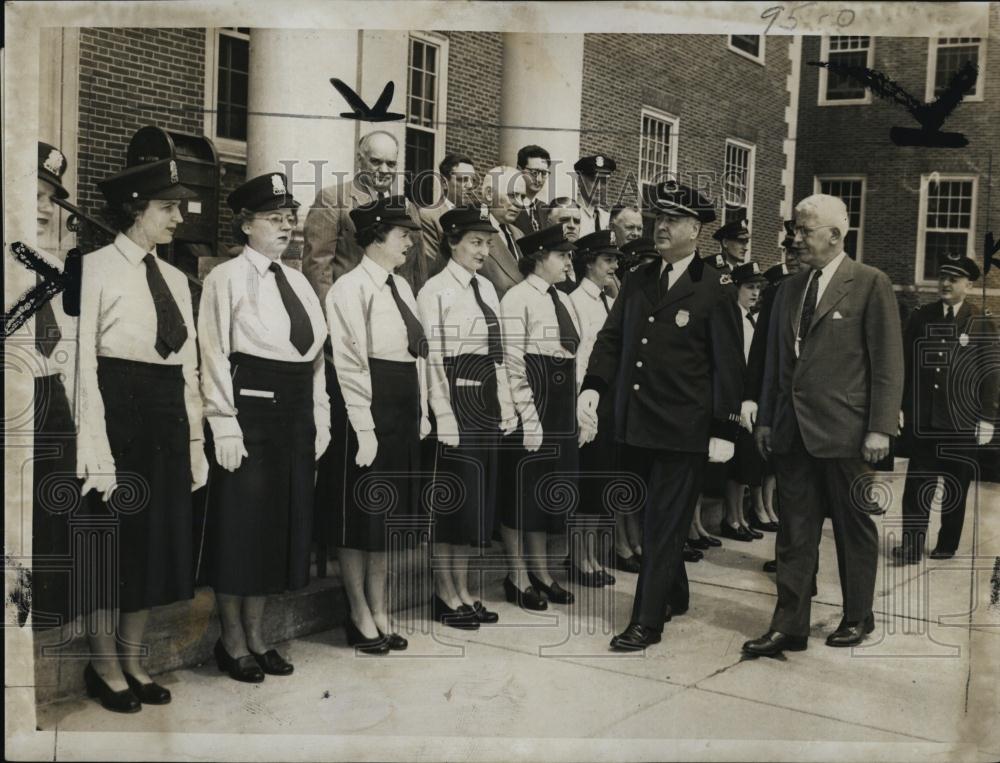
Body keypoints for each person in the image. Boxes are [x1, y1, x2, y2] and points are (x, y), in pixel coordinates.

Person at [579, 181, 744, 651]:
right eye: (658, 218)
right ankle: (676, 590)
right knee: (654, 516)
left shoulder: (714, 288)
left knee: (661, 525)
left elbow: (728, 366)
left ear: (695, 229)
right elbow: (612, 340)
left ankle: (646, 621)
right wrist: (593, 387)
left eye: (673, 220)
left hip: (683, 430)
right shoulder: (638, 279)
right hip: (637, 423)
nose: (662, 226)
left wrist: (724, 427)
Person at [745, 193, 904, 657]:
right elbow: (777, 363)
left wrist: (879, 429)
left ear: (835, 235)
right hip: (793, 433)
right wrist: (767, 421)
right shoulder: (788, 289)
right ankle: (788, 625)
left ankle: (858, 616)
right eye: (795, 229)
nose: (795, 238)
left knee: (854, 529)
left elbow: (887, 363)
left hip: (847, 435)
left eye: (805, 230)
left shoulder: (870, 284)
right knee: (794, 533)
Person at [76, 157, 208, 712]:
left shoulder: (176, 277)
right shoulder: (93, 270)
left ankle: (133, 658)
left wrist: (195, 440)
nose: (179, 217)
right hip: (116, 410)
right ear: (135, 209)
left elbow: (189, 365)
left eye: (179, 207)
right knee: (113, 547)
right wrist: (94, 448)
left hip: (166, 413)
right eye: (167, 207)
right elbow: (81, 364)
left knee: (153, 543)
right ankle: (103, 665)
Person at [198, 173, 331, 682]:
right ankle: (231, 641)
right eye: (274, 219)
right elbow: (212, 351)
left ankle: (258, 636)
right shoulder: (225, 278)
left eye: (289, 219)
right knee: (241, 533)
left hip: (295, 414)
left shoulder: (296, 280)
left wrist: (319, 416)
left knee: (276, 531)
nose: (286, 227)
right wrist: (222, 421)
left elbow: (316, 355)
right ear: (245, 224)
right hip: (249, 414)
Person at [324, 195, 427, 654]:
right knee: (359, 516)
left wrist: (421, 410)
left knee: (385, 518)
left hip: (401, 404)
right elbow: (348, 361)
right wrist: (363, 426)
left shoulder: (401, 287)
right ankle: (358, 612)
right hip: (365, 406)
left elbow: (416, 354)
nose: (409, 241)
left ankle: (381, 608)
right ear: (377, 237)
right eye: (402, 234)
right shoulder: (349, 288)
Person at [417, 204, 518, 628]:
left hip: (486, 402)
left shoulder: (487, 289)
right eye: (475, 242)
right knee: (452, 507)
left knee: (475, 505)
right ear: (451, 242)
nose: (483, 250)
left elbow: (498, 353)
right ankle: (445, 594)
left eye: (488, 242)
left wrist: (507, 404)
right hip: (455, 402)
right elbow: (433, 359)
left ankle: (462, 590)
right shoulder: (433, 291)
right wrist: (443, 416)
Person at [892, 253, 998, 564]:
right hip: (925, 419)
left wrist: (987, 419)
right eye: (942, 277)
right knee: (917, 486)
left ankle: (947, 543)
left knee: (955, 487)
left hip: (961, 423)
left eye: (953, 278)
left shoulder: (979, 321)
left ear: (967, 284)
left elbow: (990, 375)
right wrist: (899, 406)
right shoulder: (922, 317)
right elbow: (905, 366)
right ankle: (911, 546)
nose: (946, 283)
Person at [499, 224, 582, 611]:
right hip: (534, 395)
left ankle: (541, 571)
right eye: (561, 255)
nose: (568, 261)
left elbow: (572, 352)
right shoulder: (518, 298)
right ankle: (516, 575)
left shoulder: (561, 298)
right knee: (522, 491)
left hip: (561, 396)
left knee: (545, 491)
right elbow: (513, 360)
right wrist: (527, 415)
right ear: (539, 258)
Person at [26, 143, 80, 632]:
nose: (46, 209)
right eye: (36, 195)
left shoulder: (54, 265)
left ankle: (43, 616)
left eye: (51, 198)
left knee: (53, 504)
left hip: (51, 395)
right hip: (14, 397)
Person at [302, 130, 429, 299]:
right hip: (351, 305)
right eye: (376, 162)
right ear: (360, 159)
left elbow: (416, 269)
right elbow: (317, 266)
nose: (384, 170)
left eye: (391, 164)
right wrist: (330, 318)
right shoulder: (333, 199)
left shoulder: (407, 207)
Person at [568, 230, 622, 586]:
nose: (613, 267)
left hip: (608, 396)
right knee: (587, 482)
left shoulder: (608, 300)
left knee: (601, 480)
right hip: (587, 398)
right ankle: (578, 557)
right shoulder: (576, 301)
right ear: (589, 263)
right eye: (607, 261)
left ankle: (590, 556)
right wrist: (581, 406)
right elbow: (577, 357)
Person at [753, 222, 804, 573]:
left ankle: (803, 562)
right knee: (789, 491)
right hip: (786, 411)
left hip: (824, 418)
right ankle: (791, 562)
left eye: (798, 249)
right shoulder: (778, 293)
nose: (794, 256)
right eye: (789, 250)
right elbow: (762, 353)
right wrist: (756, 404)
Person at [719, 262, 773, 541]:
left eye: (757, 288)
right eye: (749, 287)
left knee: (746, 461)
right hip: (734, 398)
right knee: (735, 460)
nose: (754, 293)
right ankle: (731, 517)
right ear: (736, 289)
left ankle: (739, 515)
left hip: (749, 398)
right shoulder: (733, 318)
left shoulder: (751, 319)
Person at [478, 166, 528, 298]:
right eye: (512, 195)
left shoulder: (518, 234)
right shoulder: (474, 234)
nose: (519, 204)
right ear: (489, 194)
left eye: (522, 197)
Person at [419, 153, 477, 263]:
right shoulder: (429, 215)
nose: (470, 186)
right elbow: (432, 262)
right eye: (463, 179)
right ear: (444, 183)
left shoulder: (476, 216)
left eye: (472, 180)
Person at [574, 154, 615, 236]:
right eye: (593, 180)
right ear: (580, 181)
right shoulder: (572, 216)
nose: (599, 188)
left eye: (603, 181)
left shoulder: (608, 219)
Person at [515, 145, 551, 234]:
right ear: (519, 170)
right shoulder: (509, 206)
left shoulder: (546, 210)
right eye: (534, 172)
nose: (538, 179)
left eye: (543, 173)